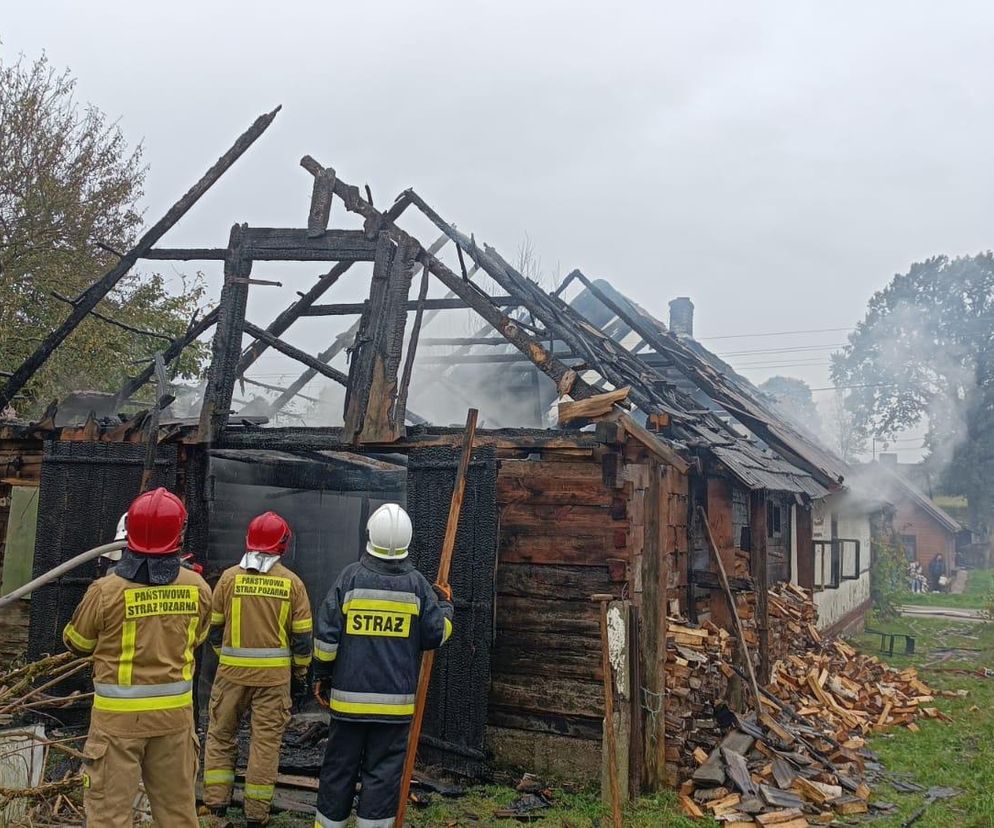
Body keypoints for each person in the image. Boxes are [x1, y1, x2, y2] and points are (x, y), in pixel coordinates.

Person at [63, 487, 212, 828]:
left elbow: (78, 643)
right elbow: (199, 636)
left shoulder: (106, 591)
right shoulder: (198, 587)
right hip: (174, 722)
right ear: (179, 533)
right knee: (178, 815)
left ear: (129, 534)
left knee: (109, 817)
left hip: (117, 725)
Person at [313, 503, 454, 828]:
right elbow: (435, 635)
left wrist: (321, 674)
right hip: (394, 710)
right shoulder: (418, 587)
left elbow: (326, 639)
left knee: (338, 771)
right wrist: (445, 607)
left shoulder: (349, 579)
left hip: (348, 705)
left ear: (370, 536)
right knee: (383, 775)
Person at [203, 511, 313, 828]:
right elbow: (303, 640)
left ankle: (216, 808)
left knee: (221, 737)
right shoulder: (292, 584)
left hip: (231, 677)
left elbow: (214, 631)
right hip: (274, 680)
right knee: (265, 744)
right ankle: (255, 816)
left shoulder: (227, 579)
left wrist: (226, 659)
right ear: (283, 545)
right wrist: (300, 675)